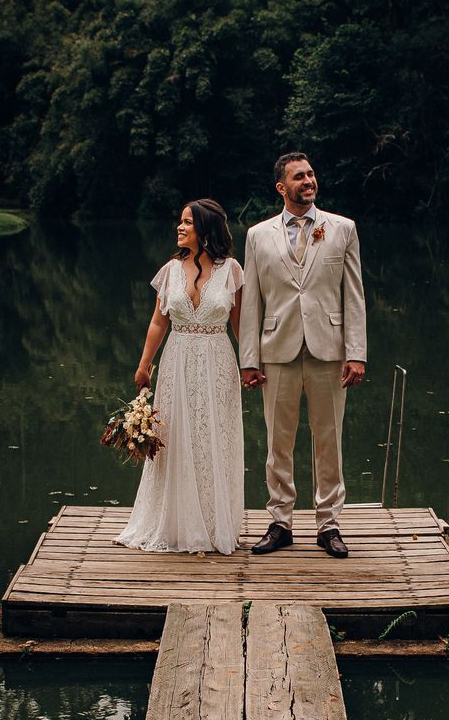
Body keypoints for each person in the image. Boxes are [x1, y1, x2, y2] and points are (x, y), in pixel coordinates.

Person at [237, 152, 367, 558]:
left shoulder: (342, 228)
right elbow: (252, 301)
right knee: (279, 441)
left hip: (329, 349)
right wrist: (249, 359)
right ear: (282, 187)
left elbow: (354, 295)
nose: (308, 181)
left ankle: (328, 524)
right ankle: (280, 522)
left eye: (311, 174)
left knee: (329, 440)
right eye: (299, 176)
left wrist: (356, 352)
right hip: (278, 349)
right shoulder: (258, 236)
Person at [115, 198, 247, 556]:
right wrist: (144, 365)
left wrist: (252, 365)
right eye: (180, 221)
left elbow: (240, 326)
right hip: (176, 360)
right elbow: (159, 321)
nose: (180, 227)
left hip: (218, 360)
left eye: (188, 222)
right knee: (174, 436)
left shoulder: (232, 270)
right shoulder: (170, 270)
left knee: (213, 437)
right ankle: (174, 523)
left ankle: (213, 522)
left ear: (206, 229)